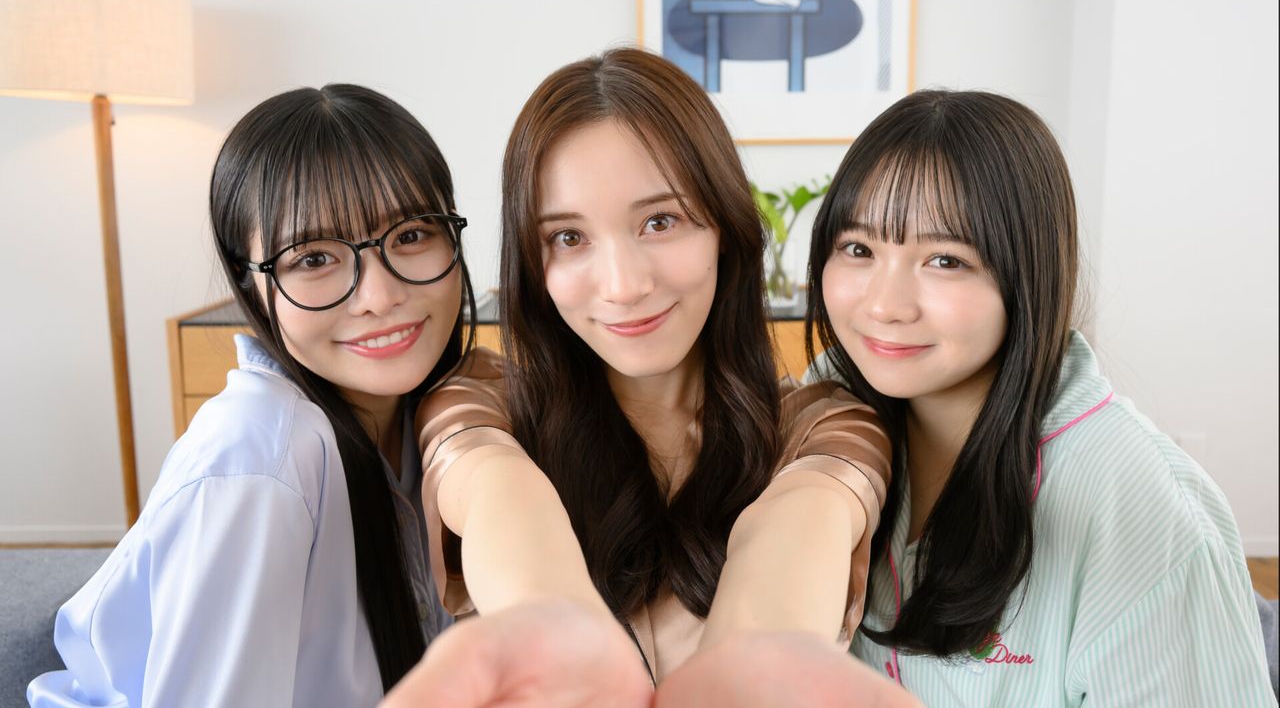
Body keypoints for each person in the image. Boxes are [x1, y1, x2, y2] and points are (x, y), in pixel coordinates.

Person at [411, 46, 891, 693]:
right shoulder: (483, 400)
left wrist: (742, 672)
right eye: (569, 238)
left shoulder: (823, 425)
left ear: (724, 226)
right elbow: (496, 488)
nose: (623, 285)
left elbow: (804, 521)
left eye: (660, 221)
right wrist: (564, 647)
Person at [804, 88, 1275, 705]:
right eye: (859, 249)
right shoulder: (829, 404)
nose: (884, 305)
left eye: (945, 260)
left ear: (1027, 271)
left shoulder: (1142, 509)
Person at [28, 84, 472, 707]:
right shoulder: (258, 464)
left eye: (411, 235)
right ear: (250, 284)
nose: (378, 296)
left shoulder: (425, 416)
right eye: (313, 258)